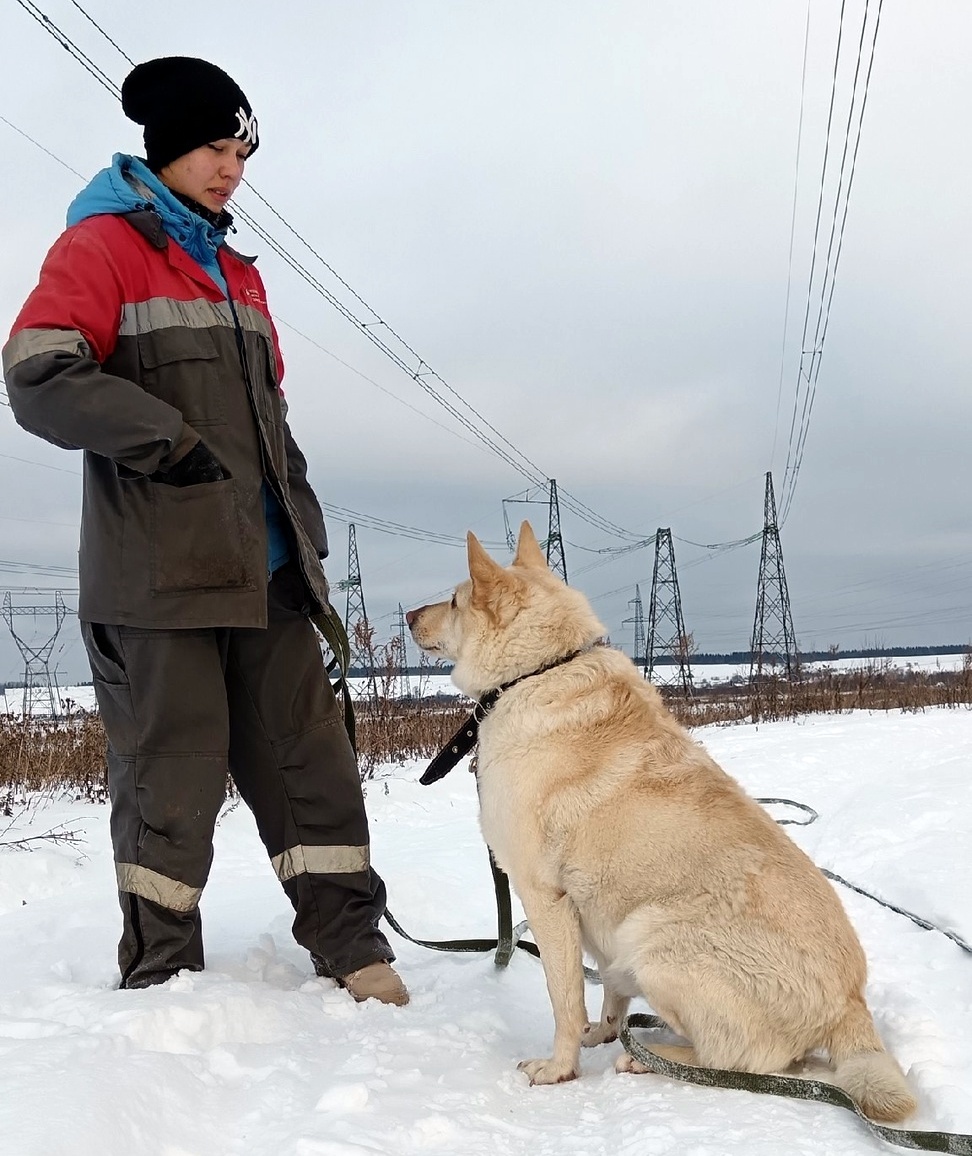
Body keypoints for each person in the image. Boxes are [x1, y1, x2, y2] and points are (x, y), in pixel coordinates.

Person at [1, 56, 407, 1004]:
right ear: (168, 148)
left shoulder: (235, 273)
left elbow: (274, 426)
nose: (233, 168)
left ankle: (353, 947)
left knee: (310, 763)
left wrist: (300, 529)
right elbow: (37, 374)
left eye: (242, 150)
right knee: (169, 779)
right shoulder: (100, 250)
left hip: (264, 573)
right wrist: (165, 442)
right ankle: (163, 972)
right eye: (216, 148)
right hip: (159, 577)